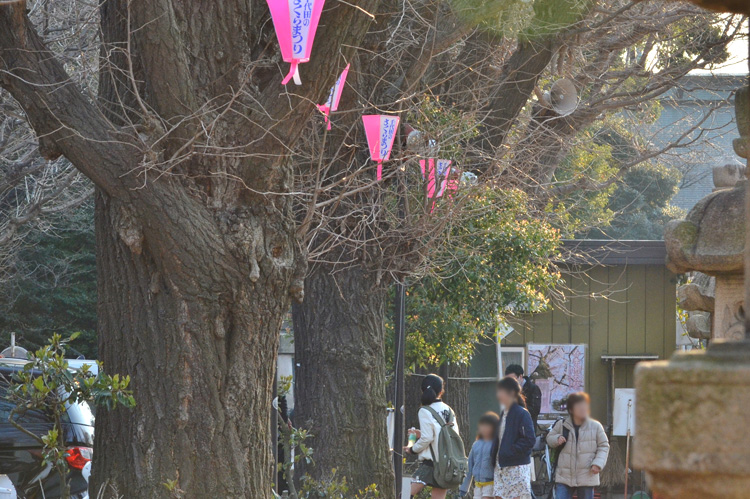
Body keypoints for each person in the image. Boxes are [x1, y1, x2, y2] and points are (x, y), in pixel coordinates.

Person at [404, 374, 459, 499]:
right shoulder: (448, 410)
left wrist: (412, 449)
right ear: (441, 391)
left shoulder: (425, 410)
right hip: (447, 462)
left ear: (423, 390)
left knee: (406, 494)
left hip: (431, 463)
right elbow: (450, 433)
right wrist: (421, 433)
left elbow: (427, 438)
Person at [546, 392, 610, 499]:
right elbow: (549, 438)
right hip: (564, 476)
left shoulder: (595, 426)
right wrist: (557, 439)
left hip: (587, 475)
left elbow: (604, 446)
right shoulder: (561, 424)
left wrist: (598, 464)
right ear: (571, 410)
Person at [491, 376, 536, 499]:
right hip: (501, 467)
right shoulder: (504, 413)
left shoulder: (522, 413)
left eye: (501, 391)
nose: (498, 395)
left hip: (516, 467)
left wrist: (510, 451)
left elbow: (530, 439)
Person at [459, 412, 500, 499]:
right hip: (477, 484)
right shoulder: (476, 444)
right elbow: (469, 466)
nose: (484, 428)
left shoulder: (496, 444)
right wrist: (464, 488)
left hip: (491, 483)